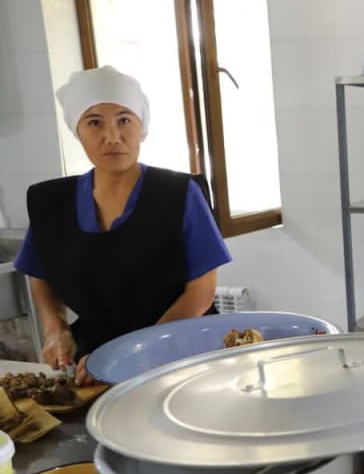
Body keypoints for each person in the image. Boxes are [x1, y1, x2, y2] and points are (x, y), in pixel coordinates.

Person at [14, 66, 231, 385]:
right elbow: (40, 273)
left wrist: (136, 352)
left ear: (141, 125)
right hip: (97, 361)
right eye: (94, 122)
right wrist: (55, 328)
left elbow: (201, 291)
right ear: (78, 130)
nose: (112, 136)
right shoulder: (51, 202)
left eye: (124, 119)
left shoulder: (179, 194)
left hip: (180, 355)